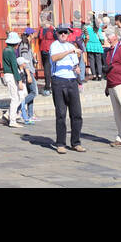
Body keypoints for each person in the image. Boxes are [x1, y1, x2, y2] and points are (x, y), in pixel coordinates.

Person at [48, 25, 85, 153]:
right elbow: (54, 58)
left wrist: (77, 68)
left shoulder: (71, 46)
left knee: (77, 114)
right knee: (61, 114)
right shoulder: (55, 45)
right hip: (59, 80)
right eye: (61, 33)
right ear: (57, 34)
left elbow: (75, 62)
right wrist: (70, 52)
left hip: (72, 80)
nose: (63, 34)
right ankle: (61, 143)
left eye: (65, 33)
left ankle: (76, 142)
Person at [0, 32, 23, 126]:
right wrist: (19, 80)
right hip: (11, 75)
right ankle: (12, 120)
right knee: (15, 97)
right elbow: (14, 66)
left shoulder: (6, 50)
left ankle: (9, 114)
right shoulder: (10, 52)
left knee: (19, 96)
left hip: (8, 75)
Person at [17, 41, 38, 124]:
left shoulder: (27, 44)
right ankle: (19, 106)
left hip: (30, 71)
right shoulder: (24, 46)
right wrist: (29, 74)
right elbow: (24, 63)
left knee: (31, 93)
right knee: (34, 92)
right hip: (28, 72)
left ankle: (30, 114)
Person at [37, 17, 56, 94]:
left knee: (46, 68)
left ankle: (47, 85)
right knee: (50, 69)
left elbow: (39, 37)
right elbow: (56, 38)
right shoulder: (53, 30)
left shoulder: (41, 29)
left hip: (43, 49)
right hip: (50, 50)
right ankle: (48, 86)